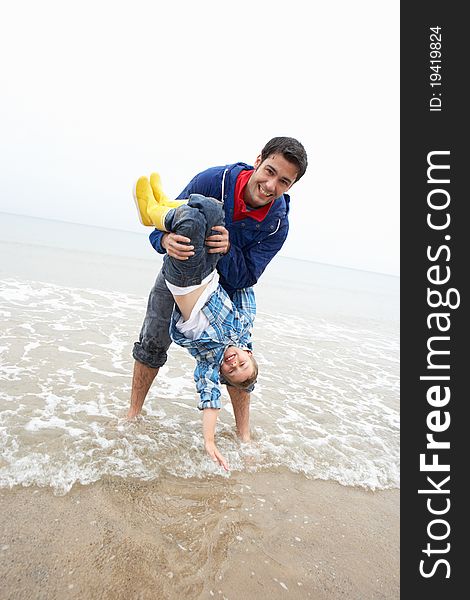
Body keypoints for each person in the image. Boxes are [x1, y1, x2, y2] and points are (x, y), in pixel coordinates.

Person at [128, 137, 308, 442]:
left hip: (230, 283)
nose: (270, 185)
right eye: (269, 171)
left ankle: (243, 435)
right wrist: (164, 242)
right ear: (258, 160)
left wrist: (227, 249)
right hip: (184, 267)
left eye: (283, 182)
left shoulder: (277, 224)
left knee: (240, 356)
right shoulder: (213, 180)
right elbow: (164, 223)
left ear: (290, 187)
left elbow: (248, 275)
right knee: (152, 340)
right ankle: (132, 416)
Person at [134, 182, 258, 469]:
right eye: (242, 364)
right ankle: (163, 204)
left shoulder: (208, 362)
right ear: (248, 353)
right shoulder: (242, 328)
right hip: (211, 271)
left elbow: (211, 402)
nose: (233, 364)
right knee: (214, 209)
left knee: (190, 223)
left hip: (185, 281)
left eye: (232, 371)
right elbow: (245, 293)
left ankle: (154, 213)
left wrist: (210, 442)